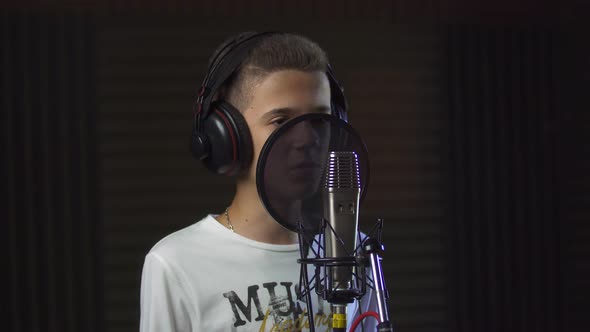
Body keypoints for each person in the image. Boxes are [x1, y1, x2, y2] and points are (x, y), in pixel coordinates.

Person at [140, 32, 376, 332]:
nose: (307, 139)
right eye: (281, 121)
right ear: (228, 137)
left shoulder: (354, 250)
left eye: (319, 119)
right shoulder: (176, 264)